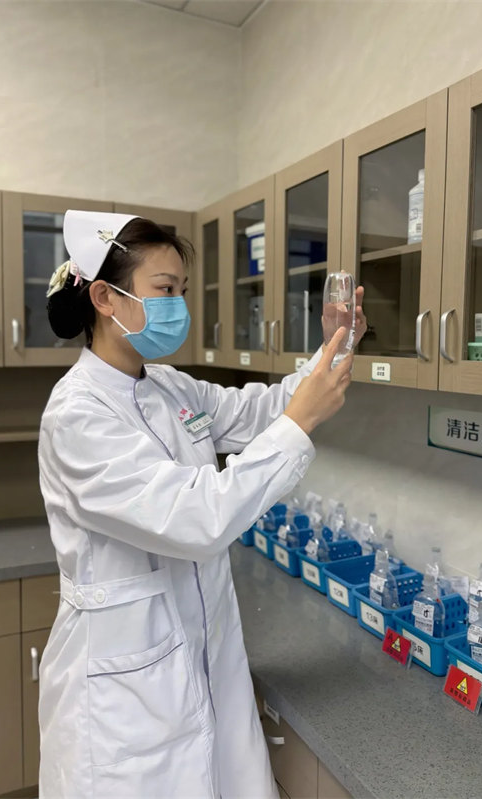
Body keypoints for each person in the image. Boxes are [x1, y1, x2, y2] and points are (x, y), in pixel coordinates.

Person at [38, 210, 367, 799]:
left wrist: (332, 348)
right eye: (165, 290)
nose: (178, 307)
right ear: (105, 298)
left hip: (204, 652)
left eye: (181, 291)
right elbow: (197, 517)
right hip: (124, 690)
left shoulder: (170, 386)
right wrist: (299, 424)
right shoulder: (76, 415)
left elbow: (263, 410)